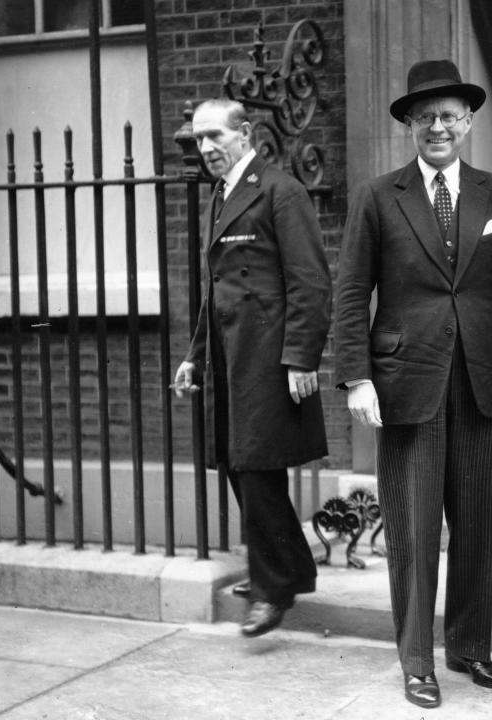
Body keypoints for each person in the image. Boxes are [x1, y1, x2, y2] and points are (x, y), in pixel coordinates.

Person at [333, 59, 492, 709]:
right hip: (405, 383)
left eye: (449, 116)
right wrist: (357, 378)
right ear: (409, 127)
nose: (438, 127)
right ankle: (417, 661)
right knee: (416, 531)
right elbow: (349, 294)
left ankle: (470, 646)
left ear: (469, 121)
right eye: (425, 118)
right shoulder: (377, 196)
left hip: (483, 382)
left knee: (478, 525)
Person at [172, 98, 331, 639]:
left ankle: (272, 588)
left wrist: (301, 358)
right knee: (242, 466)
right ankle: (285, 569)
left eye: (215, 136)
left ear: (246, 133)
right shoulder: (221, 195)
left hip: (268, 356)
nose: (206, 149)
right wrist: (195, 355)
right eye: (198, 140)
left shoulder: (280, 190)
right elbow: (215, 289)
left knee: (257, 467)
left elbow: (310, 281)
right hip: (229, 355)